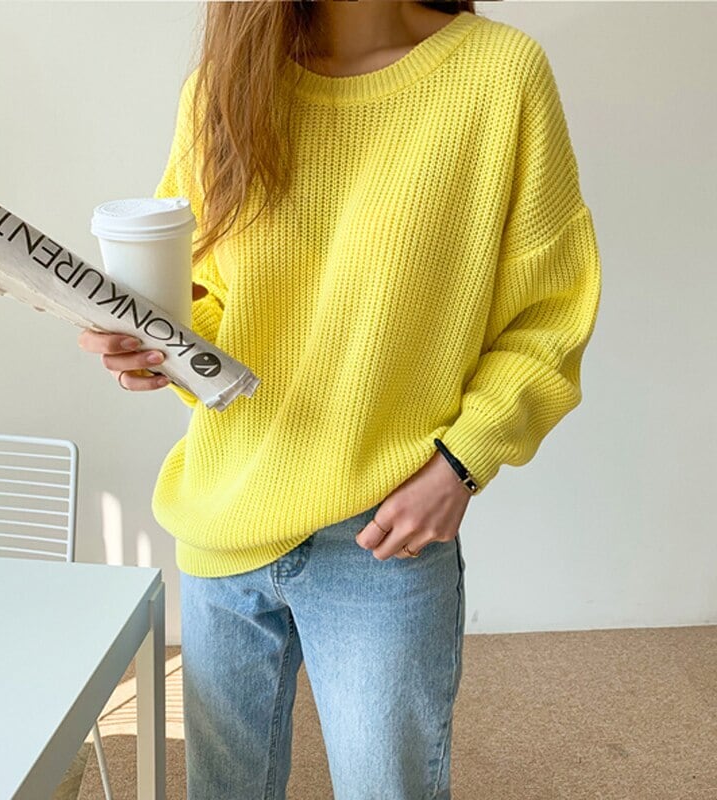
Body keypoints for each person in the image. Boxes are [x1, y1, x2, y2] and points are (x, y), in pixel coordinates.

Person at [78, 1, 602, 797]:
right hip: (224, 516)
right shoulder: (222, 91)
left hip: (382, 536)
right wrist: (157, 349)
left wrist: (462, 462)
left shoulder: (500, 76)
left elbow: (551, 314)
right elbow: (217, 311)